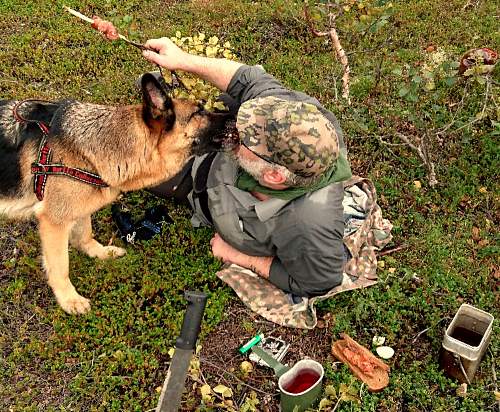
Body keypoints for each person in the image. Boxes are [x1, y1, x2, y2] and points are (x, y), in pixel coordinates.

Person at [141, 37, 353, 299]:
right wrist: (183, 60)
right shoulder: (295, 116)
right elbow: (247, 80)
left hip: (198, 188)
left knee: (138, 168)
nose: (235, 127)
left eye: (245, 136)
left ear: (273, 175)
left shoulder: (307, 227)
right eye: (247, 120)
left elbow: (319, 282)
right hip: (225, 163)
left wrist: (238, 256)